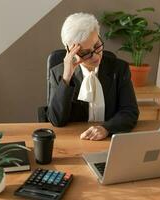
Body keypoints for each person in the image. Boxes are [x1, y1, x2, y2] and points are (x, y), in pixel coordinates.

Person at [47, 13, 139, 141]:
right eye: (85, 53)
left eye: (96, 46)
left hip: (110, 139)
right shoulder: (58, 73)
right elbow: (57, 121)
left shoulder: (119, 69)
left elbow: (130, 111)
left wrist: (106, 128)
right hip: (76, 140)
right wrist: (67, 77)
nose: (96, 56)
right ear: (70, 51)